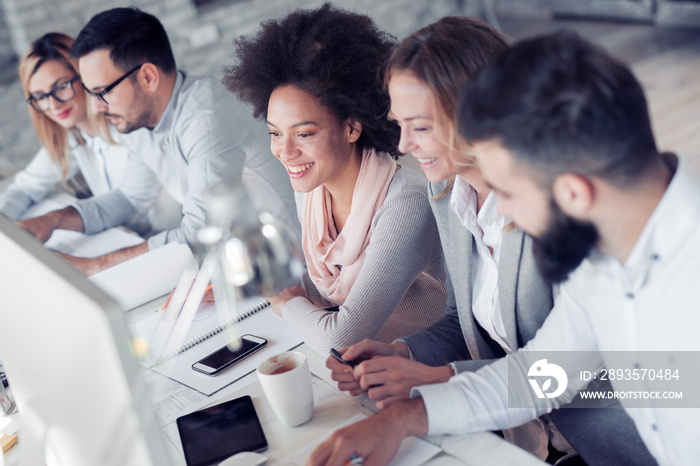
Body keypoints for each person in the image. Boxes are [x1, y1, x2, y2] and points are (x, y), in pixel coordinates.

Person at [310, 31, 700, 466]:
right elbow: (540, 377)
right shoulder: (599, 261)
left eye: (507, 191)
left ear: (572, 193)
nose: (502, 212)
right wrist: (403, 419)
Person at [223, 4, 446, 353]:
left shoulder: (406, 203)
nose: (285, 151)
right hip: (368, 359)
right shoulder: (313, 189)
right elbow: (322, 288)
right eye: (275, 133)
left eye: (305, 134)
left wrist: (287, 304)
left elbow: (342, 336)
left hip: (423, 361)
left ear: (353, 127)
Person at [15, 7, 300, 275]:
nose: (98, 107)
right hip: (233, 264)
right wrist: (53, 219)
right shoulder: (140, 122)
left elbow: (198, 233)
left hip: (287, 269)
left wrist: (95, 265)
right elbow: (130, 198)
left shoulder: (206, 116)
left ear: (148, 77)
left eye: (103, 92)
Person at [0, 32, 129, 222]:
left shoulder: (128, 127)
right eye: (41, 97)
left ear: (84, 75)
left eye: (61, 86)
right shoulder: (72, 138)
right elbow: (24, 188)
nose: (53, 105)